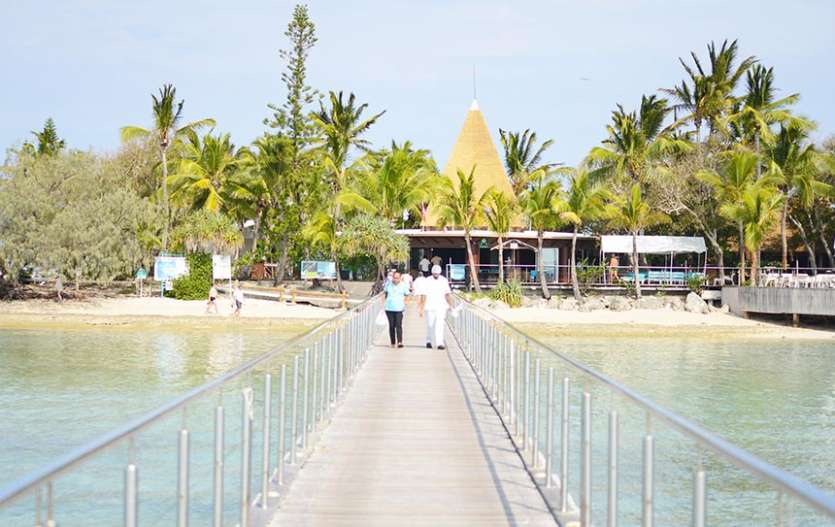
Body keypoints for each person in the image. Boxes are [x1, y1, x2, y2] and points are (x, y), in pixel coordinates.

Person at [418, 265, 453, 350]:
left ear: (440, 273)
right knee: (430, 324)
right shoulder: (427, 280)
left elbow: (447, 294)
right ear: (432, 273)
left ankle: (440, 343)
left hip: (441, 306)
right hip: (429, 306)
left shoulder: (444, 280)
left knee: (440, 325)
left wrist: (450, 305)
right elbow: (423, 294)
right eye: (434, 274)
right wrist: (421, 307)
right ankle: (428, 341)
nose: (436, 275)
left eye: (437, 274)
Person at [382, 272, 410, 348]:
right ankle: (393, 342)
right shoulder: (388, 284)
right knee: (391, 325)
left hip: (399, 308)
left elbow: (407, 295)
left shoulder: (403, 285)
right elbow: (384, 294)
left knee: (398, 325)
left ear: (400, 278)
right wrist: (383, 304)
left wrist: (405, 303)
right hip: (389, 308)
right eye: (394, 278)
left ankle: (400, 342)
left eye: (397, 278)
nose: (395, 279)